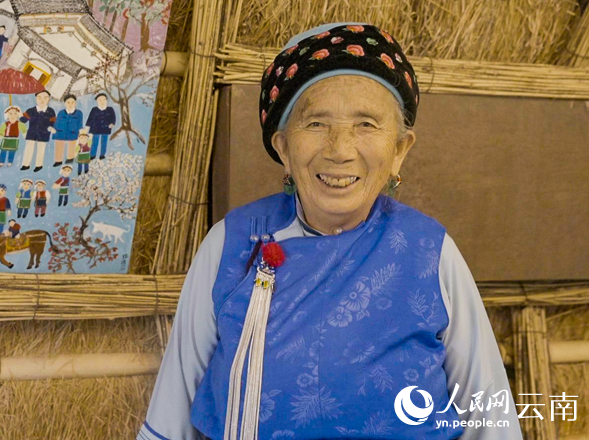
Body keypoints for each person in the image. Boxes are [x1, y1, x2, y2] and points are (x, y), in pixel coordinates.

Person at [138, 23, 521, 440]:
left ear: (399, 151)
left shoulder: (429, 251)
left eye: (367, 125)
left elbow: (491, 422)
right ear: (283, 148)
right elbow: (171, 416)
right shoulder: (234, 244)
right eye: (317, 123)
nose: (340, 150)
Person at [19, 89, 56, 172]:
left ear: (49, 99)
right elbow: (23, 120)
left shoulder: (50, 111)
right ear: (36, 99)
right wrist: (19, 115)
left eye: (45, 98)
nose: (42, 100)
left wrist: (51, 127)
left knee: (41, 149)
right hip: (32, 133)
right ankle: (26, 164)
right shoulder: (31, 110)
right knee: (29, 148)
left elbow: (53, 122)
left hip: (44, 133)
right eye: (39, 98)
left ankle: (39, 165)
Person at [52, 94, 84, 167]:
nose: (70, 104)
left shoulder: (79, 113)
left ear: (75, 103)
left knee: (72, 144)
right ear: (65, 103)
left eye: (72, 102)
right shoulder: (61, 112)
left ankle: (70, 158)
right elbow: (57, 122)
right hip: (61, 131)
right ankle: (58, 160)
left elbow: (80, 124)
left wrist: (80, 132)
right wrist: (54, 129)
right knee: (59, 144)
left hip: (72, 131)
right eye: (68, 102)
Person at [85, 93, 116, 160]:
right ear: (97, 101)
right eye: (100, 100)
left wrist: (112, 123)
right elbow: (90, 118)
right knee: (94, 142)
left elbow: (113, 117)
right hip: (95, 128)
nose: (102, 102)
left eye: (104, 100)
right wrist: (87, 126)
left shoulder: (110, 109)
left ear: (106, 100)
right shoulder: (94, 109)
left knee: (104, 142)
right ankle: (93, 155)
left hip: (106, 128)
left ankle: (102, 154)